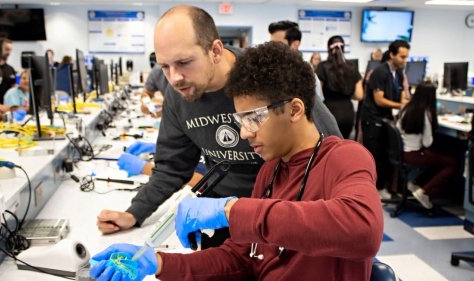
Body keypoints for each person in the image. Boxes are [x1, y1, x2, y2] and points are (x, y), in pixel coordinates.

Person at [90, 41, 383, 281]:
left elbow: (364, 231)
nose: (244, 133)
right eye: (240, 120)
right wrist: (158, 264)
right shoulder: (269, 171)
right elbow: (241, 257)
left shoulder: (345, 157)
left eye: (253, 118)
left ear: (294, 110)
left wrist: (231, 210)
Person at [96, 6, 341, 246]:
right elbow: (172, 167)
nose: (174, 78)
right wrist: (134, 213)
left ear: (215, 50)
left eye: (184, 62)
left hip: (282, 218)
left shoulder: (266, 76)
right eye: (165, 66)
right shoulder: (178, 95)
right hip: (222, 217)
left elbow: (331, 152)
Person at [361, 40, 410, 198]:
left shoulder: (399, 73)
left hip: (386, 119)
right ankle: (369, 192)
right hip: (373, 119)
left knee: (384, 156)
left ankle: (381, 188)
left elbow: (401, 92)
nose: (405, 60)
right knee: (373, 157)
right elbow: (379, 100)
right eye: (402, 57)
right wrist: (399, 105)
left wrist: (404, 101)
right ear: (392, 55)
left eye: (406, 57)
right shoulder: (380, 72)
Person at [397, 81, 457, 209]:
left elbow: (398, 129)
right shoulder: (425, 114)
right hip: (414, 155)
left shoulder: (405, 108)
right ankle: (425, 192)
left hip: (402, 152)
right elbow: (427, 142)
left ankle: (414, 183)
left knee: (436, 156)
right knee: (452, 163)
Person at [316, 35, 363, 139]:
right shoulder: (352, 67)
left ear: (328, 49)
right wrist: (346, 92)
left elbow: (317, 93)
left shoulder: (322, 67)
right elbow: (359, 95)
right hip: (348, 113)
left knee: (328, 146)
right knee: (343, 144)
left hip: (328, 111)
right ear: (343, 48)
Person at [0, 37, 17, 104]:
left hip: (9, 105)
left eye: (10, 50)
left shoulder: (10, 69)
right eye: (7, 49)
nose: (9, 52)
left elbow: (15, 85)